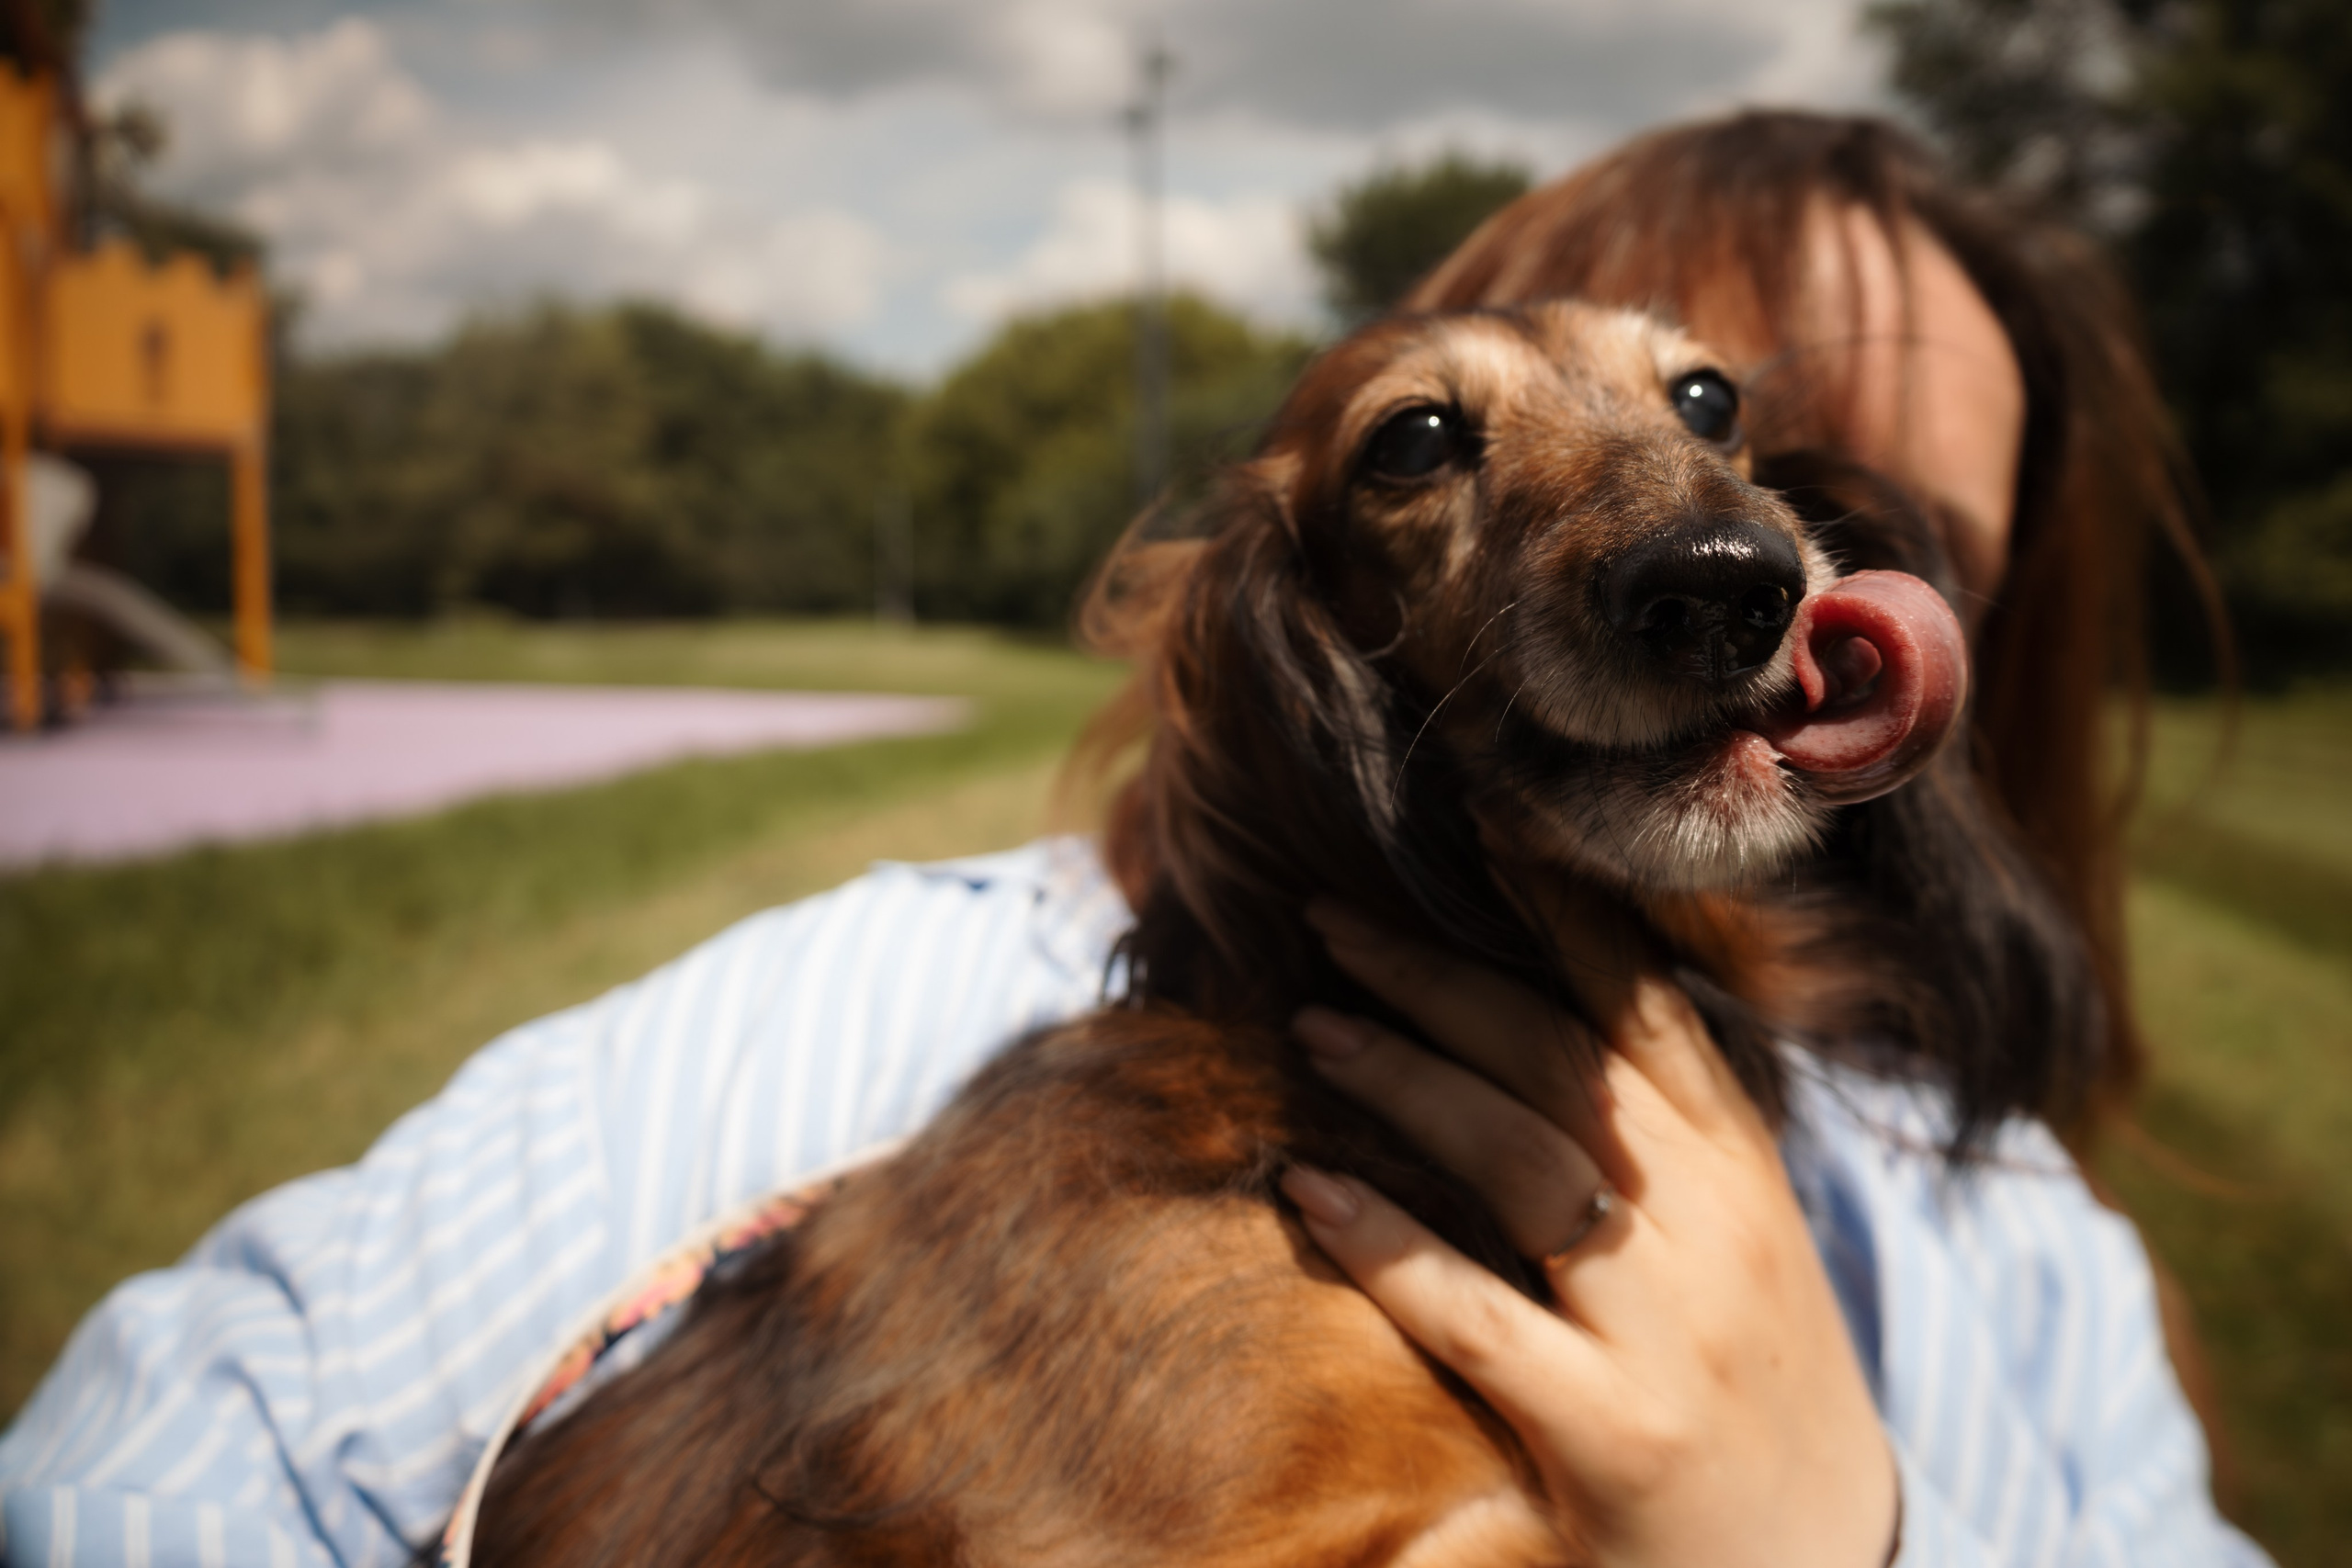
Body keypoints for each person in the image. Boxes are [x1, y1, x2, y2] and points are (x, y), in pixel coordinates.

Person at [0, 111, 2264, 1567]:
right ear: (1317, 625)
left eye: (1726, 432)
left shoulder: (2013, 1269)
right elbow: (171, 1451)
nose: (1724, 555)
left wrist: (1840, 1538)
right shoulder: (895, 1014)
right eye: (1439, 437)